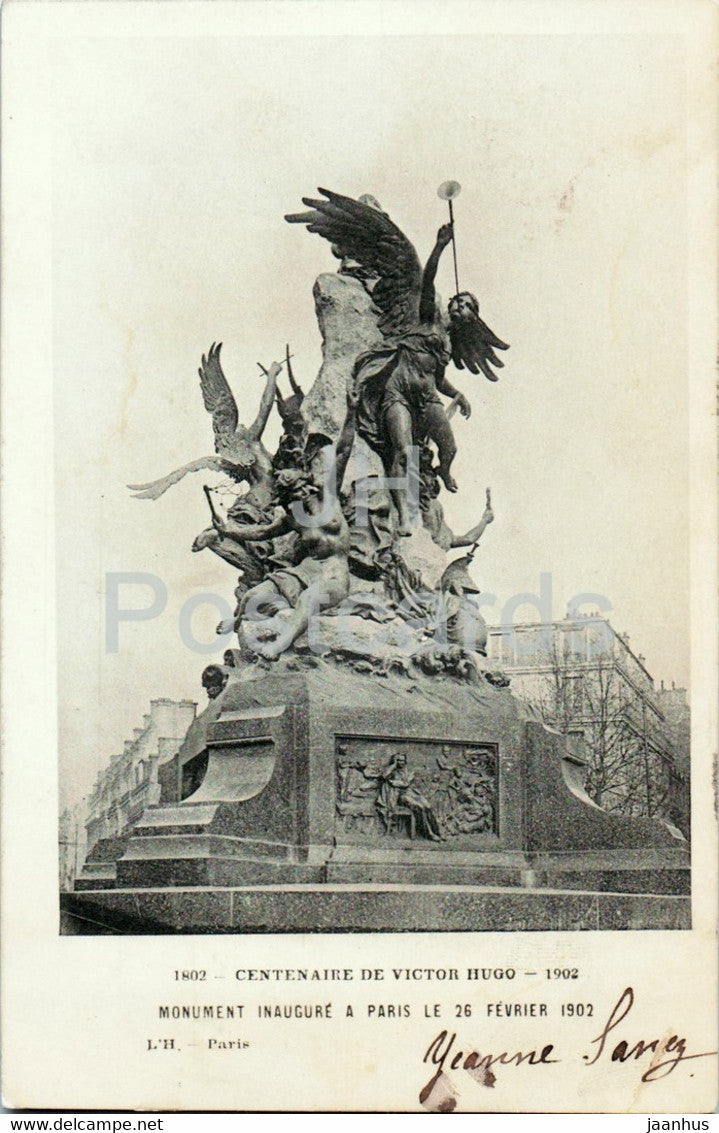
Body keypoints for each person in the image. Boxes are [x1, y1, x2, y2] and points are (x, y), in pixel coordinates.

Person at [376, 753, 442, 841]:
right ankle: (429, 833)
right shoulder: (392, 770)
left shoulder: (408, 771)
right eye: (399, 760)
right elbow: (384, 776)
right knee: (420, 807)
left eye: (403, 760)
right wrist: (393, 765)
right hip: (401, 796)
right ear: (395, 761)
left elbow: (406, 783)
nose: (401, 762)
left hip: (412, 793)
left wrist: (396, 783)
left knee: (428, 806)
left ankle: (438, 832)